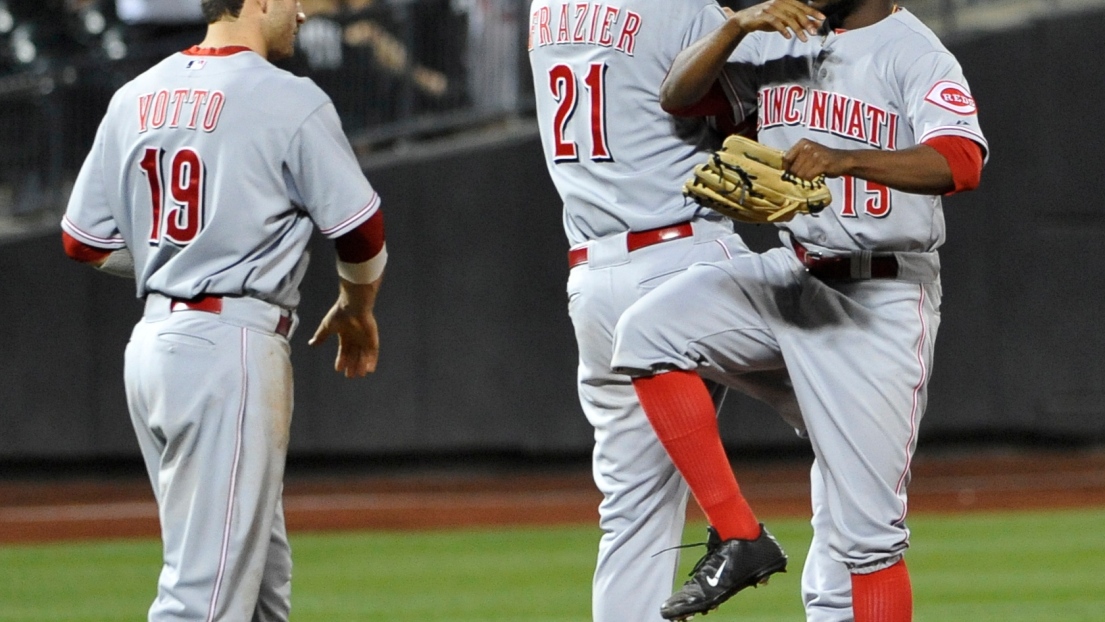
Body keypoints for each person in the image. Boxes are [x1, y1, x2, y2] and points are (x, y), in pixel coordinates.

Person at [609, 0, 988, 620]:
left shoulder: (914, 52)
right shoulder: (778, 40)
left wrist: (845, 160)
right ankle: (740, 536)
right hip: (796, 273)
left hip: (880, 302)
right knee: (649, 330)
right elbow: (678, 97)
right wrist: (734, 28)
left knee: (868, 542)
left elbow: (961, 162)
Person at [60, 0, 387, 619]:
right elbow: (362, 231)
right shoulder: (288, 97)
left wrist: (173, 260)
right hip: (226, 351)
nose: (304, 14)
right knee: (202, 599)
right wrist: (355, 303)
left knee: (260, 583)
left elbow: (84, 240)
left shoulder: (136, 94)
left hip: (154, 348)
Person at [527, 1, 805, 621]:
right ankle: (748, 535)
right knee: (845, 405)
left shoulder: (545, 8)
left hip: (593, 277)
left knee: (633, 516)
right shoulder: (678, 7)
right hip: (682, 257)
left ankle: (739, 530)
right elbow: (775, 98)